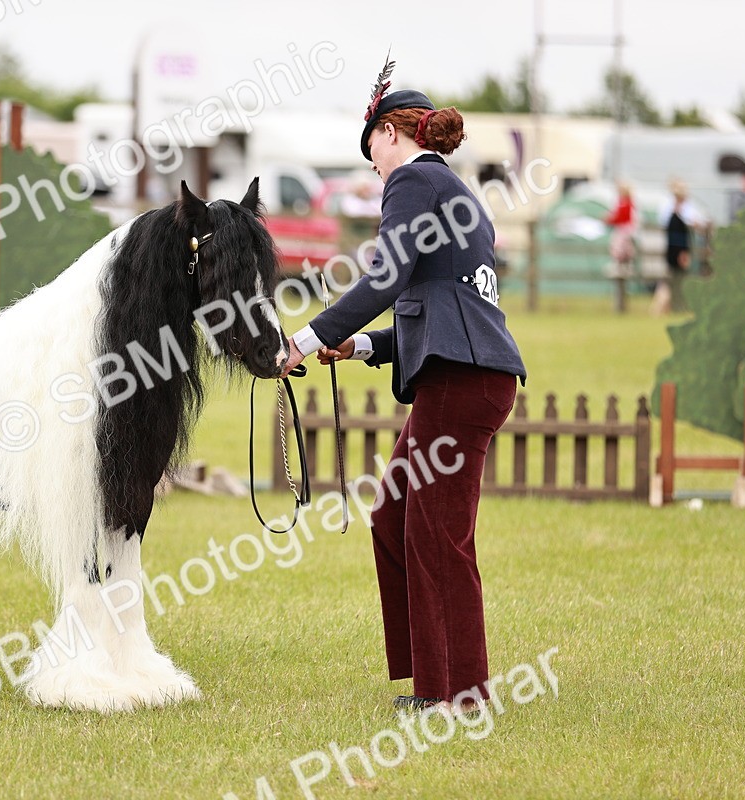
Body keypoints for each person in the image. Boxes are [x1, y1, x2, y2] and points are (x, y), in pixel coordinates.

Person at [280, 64, 527, 713]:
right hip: (464, 372)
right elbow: (435, 307)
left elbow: (386, 278)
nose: (375, 173)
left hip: (459, 380)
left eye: (372, 157)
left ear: (390, 135)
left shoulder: (414, 178)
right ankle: (438, 679)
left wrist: (300, 340)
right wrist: (357, 343)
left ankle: (458, 694)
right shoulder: (456, 191)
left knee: (436, 535)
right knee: (396, 517)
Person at [655, 180, 708, 314]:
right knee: (676, 281)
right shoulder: (673, 215)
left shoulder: (682, 213)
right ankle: (676, 306)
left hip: (678, 251)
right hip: (676, 252)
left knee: (679, 280)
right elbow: (677, 236)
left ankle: (678, 306)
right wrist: (683, 253)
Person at [604, 181, 637, 277]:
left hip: (624, 230)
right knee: (620, 245)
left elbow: (621, 217)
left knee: (619, 245)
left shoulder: (627, 203)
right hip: (623, 229)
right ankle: (620, 264)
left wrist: (610, 220)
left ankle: (622, 264)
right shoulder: (622, 203)